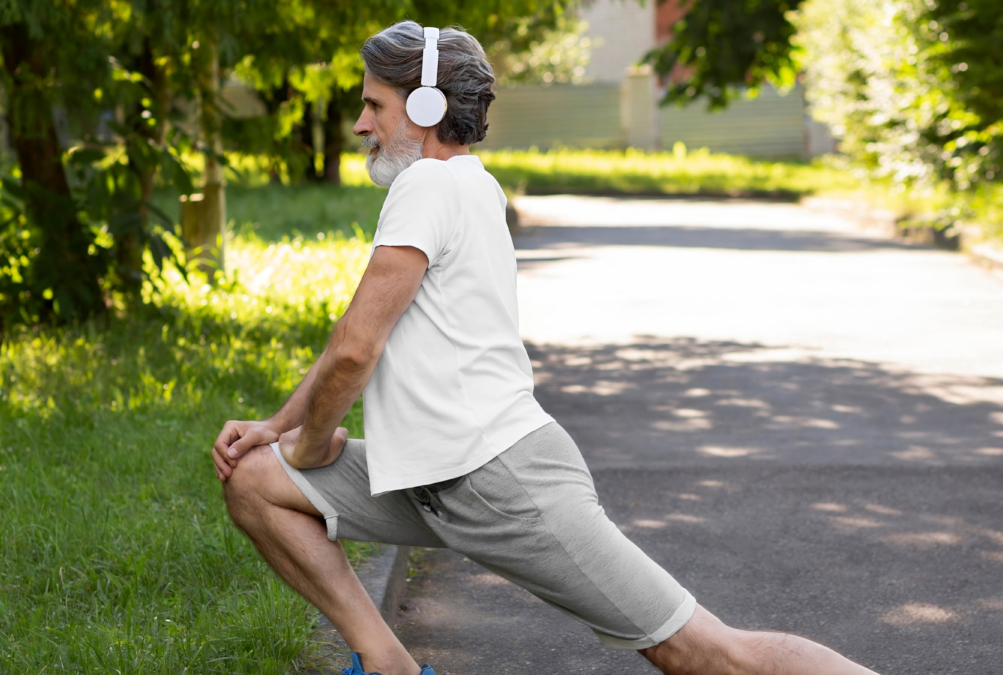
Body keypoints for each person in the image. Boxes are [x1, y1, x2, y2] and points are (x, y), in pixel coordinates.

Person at [212, 21, 881, 675]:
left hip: (501, 481)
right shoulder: (467, 183)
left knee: (705, 652)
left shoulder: (430, 185)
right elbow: (354, 342)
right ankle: (389, 664)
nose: (361, 124)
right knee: (253, 478)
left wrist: (308, 444)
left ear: (424, 107)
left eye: (373, 105)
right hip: (430, 478)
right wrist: (279, 428)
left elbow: (358, 349)